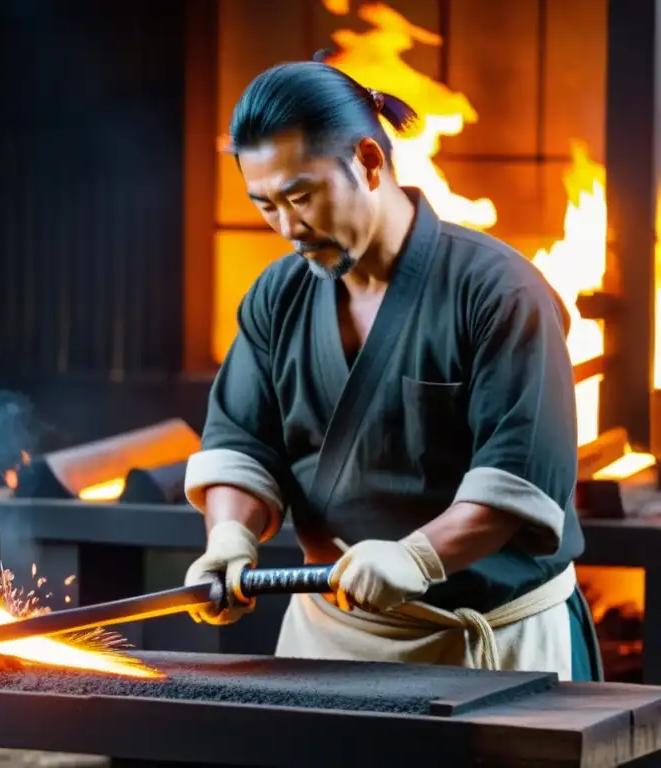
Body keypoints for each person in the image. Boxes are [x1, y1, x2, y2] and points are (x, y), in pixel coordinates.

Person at [182, 53, 602, 682]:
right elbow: (242, 446)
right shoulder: (276, 296)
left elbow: (518, 480)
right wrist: (229, 541)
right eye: (267, 206)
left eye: (302, 196)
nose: (288, 228)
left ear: (369, 163)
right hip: (328, 641)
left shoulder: (500, 291)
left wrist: (420, 557)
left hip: (487, 649)